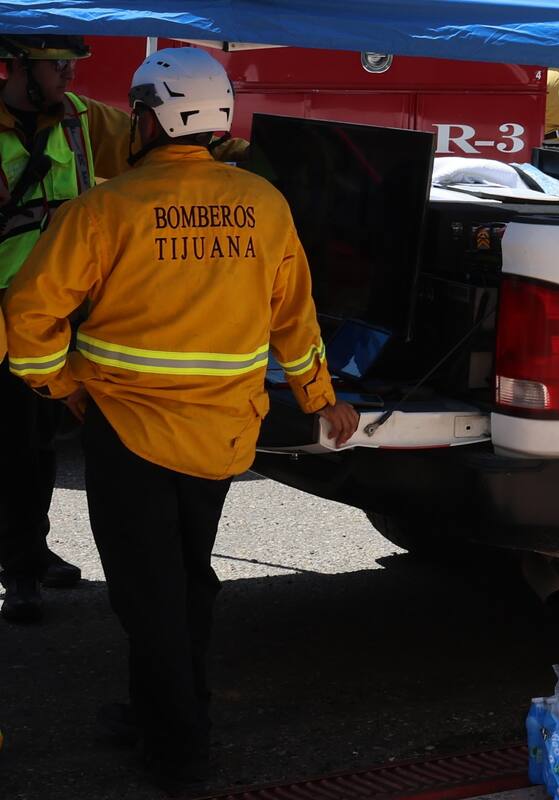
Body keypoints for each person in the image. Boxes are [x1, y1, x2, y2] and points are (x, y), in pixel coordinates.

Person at [3, 46, 359, 790]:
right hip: (224, 435)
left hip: (127, 434)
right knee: (186, 581)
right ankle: (165, 710)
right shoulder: (263, 204)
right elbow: (295, 317)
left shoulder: (105, 208)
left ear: (150, 118)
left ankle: (177, 747)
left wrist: (60, 384)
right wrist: (323, 397)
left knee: (147, 594)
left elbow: (26, 317)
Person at [0, 34, 246, 623]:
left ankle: (27, 554)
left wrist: (247, 154)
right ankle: (18, 567)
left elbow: (173, 140)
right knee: (10, 445)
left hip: (60, 310)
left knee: (36, 445)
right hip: (9, 308)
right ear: (15, 68)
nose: (67, 76)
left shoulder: (87, 120)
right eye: (56, 65)